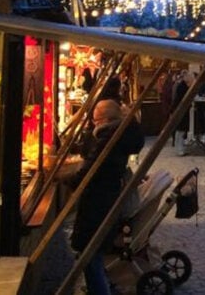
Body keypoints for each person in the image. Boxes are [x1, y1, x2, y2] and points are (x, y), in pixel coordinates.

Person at [66, 99, 145, 295]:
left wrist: (66, 178)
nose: (93, 124)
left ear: (106, 120)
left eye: (95, 120)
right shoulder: (116, 135)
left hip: (99, 202)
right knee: (94, 254)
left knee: (90, 254)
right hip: (106, 199)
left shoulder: (109, 138)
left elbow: (91, 169)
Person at [172, 70, 193, 156]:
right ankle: (179, 149)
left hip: (180, 109)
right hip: (181, 110)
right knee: (180, 130)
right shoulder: (182, 86)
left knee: (180, 130)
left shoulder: (182, 85)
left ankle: (180, 148)